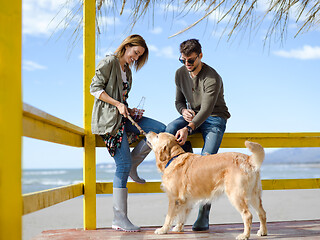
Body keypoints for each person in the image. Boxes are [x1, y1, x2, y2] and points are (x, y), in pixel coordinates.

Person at [90, 34, 166, 232]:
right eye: (135, 53)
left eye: (139, 56)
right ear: (127, 46)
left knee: (160, 129)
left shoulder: (128, 73)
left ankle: (134, 163)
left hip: (124, 117)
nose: (135, 58)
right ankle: (119, 219)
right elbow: (94, 89)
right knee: (121, 165)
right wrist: (117, 104)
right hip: (109, 121)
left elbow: (122, 98)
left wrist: (129, 110)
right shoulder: (109, 62)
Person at [165, 39, 231, 231]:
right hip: (192, 117)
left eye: (191, 60)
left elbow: (207, 109)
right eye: (183, 60)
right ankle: (186, 170)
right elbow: (178, 101)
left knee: (207, 162)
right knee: (169, 130)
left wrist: (189, 128)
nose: (187, 64)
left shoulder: (212, 77)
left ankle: (203, 215)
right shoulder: (180, 74)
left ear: (200, 56)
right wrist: (182, 112)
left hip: (214, 117)